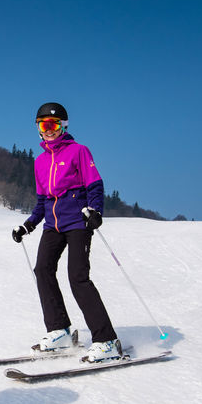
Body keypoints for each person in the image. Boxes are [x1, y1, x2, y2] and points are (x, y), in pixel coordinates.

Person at [12, 102, 121, 362]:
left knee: (78, 278)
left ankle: (107, 341)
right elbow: (42, 202)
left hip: (78, 223)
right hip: (53, 225)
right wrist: (28, 225)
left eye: (53, 125)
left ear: (63, 126)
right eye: (43, 125)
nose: (48, 130)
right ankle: (59, 331)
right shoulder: (39, 162)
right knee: (42, 269)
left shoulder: (79, 151)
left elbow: (95, 185)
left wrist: (95, 211)